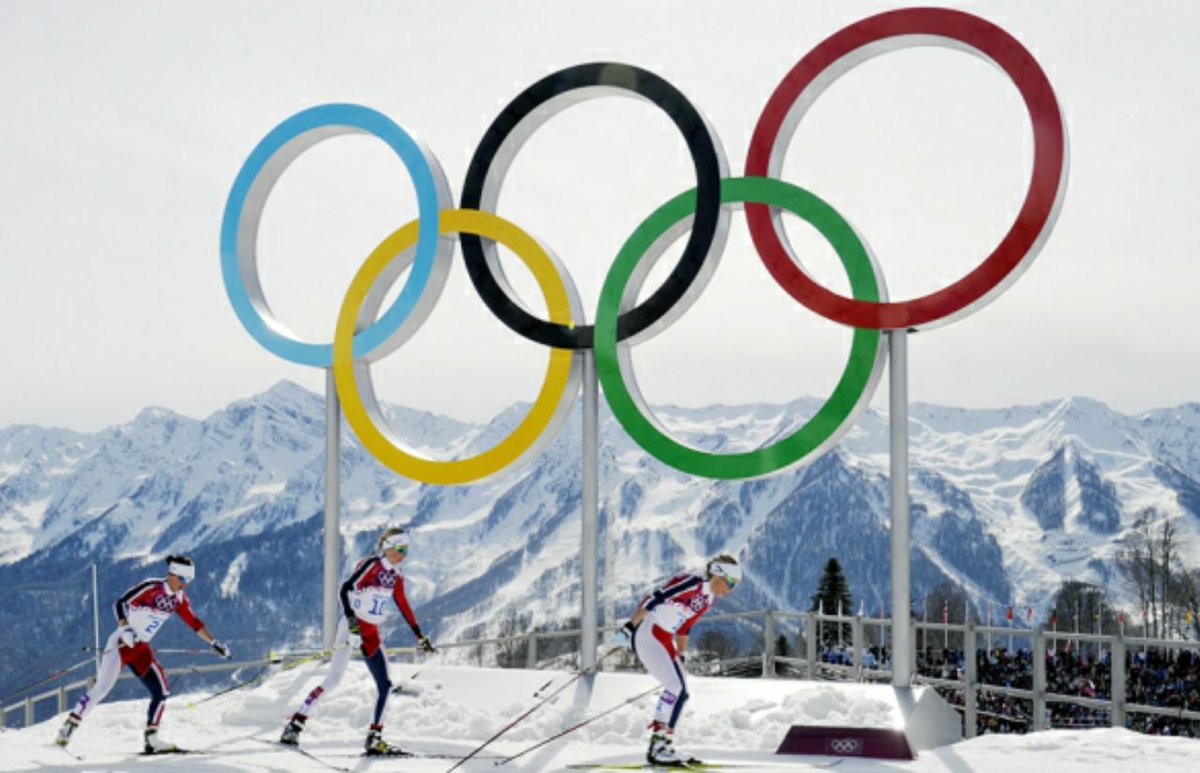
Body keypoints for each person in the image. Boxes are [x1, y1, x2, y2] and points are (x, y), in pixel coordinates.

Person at [279, 526, 436, 756]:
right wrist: (352, 623)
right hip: (351, 627)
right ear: (388, 548)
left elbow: (403, 605)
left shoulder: (396, 575)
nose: (403, 555)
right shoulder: (372, 565)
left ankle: (375, 738)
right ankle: (295, 724)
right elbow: (344, 590)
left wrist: (420, 636)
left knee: (385, 685)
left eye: (407, 550)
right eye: (400, 549)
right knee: (333, 679)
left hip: (371, 632)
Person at [55, 555, 232, 753]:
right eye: (183, 579)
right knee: (101, 689)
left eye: (189, 581)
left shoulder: (179, 600)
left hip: (140, 649)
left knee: (161, 692)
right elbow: (120, 604)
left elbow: (194, 623)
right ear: (172, 575)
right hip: (121, 644)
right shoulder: (151, 588)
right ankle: (69, 727)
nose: (185, 585)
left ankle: (152, 739)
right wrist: (125, 629)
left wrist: (214, 642)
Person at [613, 554, 742, 767]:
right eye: (730, 583)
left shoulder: (709, 599)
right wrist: (629, 627)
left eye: (734, 585)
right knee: (675, 687)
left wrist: (680, 655)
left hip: (663, 638)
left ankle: (665, 743)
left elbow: (685, 627)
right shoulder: (693, 583)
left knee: (681, 692)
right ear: (718, 575)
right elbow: (654, 598)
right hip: (649, 632)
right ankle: (657, 747)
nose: (730, 590)